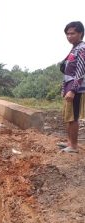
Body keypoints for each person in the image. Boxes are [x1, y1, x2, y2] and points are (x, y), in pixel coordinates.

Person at [58, 21, 85, 153]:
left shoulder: (81, 49)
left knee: (73, 117)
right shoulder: (74, 48)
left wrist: (73, 90)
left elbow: (80, 71)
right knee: (68, 116)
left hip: (76, 88)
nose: (69, 36)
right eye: (67, 34)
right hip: (69, 87)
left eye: (72, 33)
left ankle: (73, 146)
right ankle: (69, 142)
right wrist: (65, 88)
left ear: (80, 33)